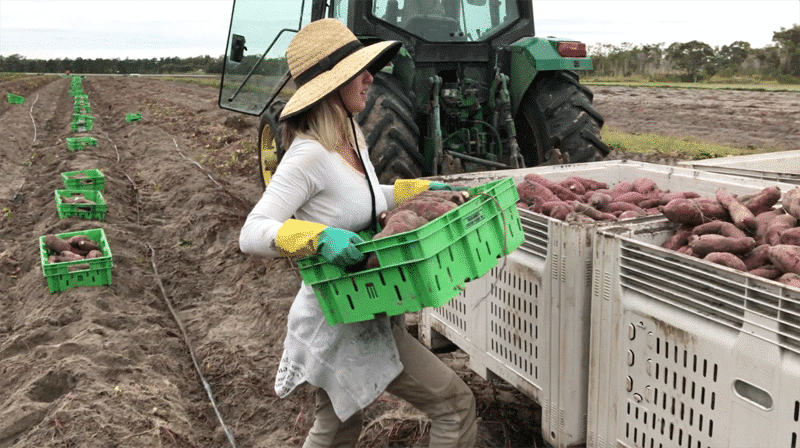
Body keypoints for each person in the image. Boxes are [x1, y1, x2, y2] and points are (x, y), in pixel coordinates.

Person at [238, 18, 477, 448]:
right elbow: (252, 231)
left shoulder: (350, 141)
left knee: (338, 428)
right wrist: (317, 238)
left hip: (369, 306)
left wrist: (419, 189)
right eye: (358, 71)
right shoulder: (308, 154)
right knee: (455, 406)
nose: (370, 78)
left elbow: (367, 197)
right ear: (332, 85)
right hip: (341, 322)